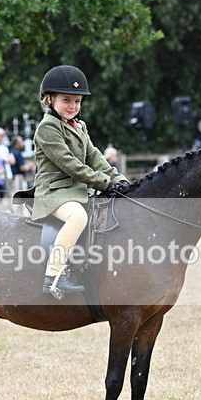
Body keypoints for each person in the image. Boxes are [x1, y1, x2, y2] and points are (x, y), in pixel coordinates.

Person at [31, 64, 130, 296]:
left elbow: (95, 157)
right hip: (54, 193)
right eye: (66, 100)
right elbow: (71, 165)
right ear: (50, 99)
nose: (73, 106)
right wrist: (105, 184)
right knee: (78, 217)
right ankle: (53, 276)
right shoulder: (47, 128)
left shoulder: (79, 126)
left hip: (77, 192)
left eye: (77, 101)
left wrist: (121, 180)